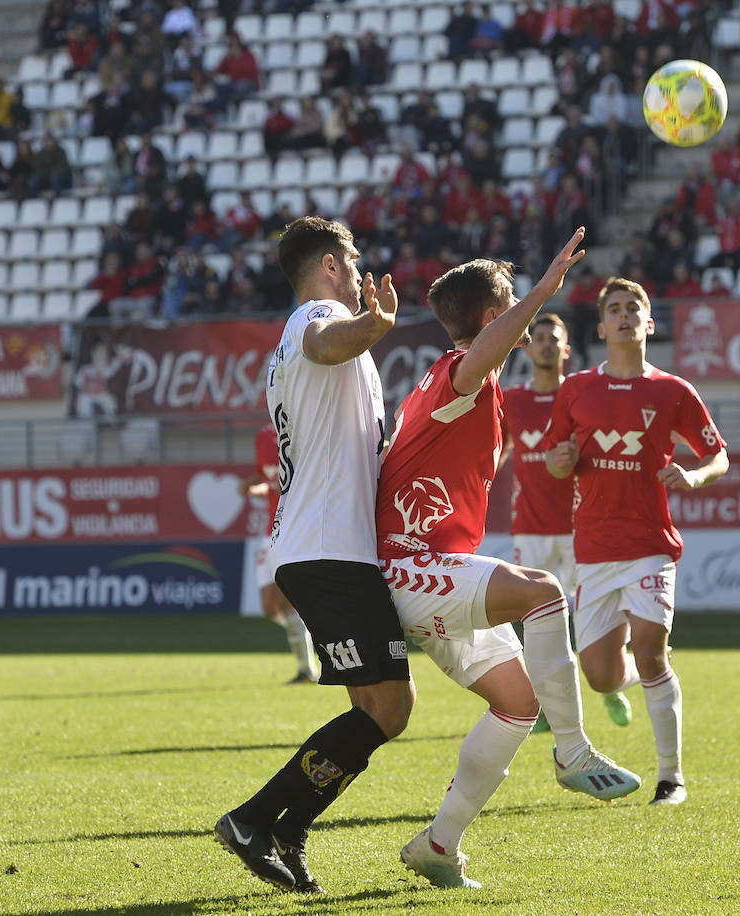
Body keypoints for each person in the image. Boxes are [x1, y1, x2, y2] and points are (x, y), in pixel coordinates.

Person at [374, 228, 641, 890]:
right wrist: (547, 290)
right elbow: (476, 357)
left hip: (432, 569)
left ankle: (439, 843)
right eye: (515, 301)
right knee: (544, 591)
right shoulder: (454, 373)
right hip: (410, 567)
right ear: (496, 316)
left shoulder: (468, 389)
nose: (528, 308)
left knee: (517, 704)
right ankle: (574, 750)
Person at [215, 216, 409, 895]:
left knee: (373, 710)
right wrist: (374, 326)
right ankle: (254, 819)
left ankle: (287, 830)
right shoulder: (318, 318)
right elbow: (331, 343)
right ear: (328, 264)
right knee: (390, 708)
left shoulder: (282, 345)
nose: (360, 274)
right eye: (353, 261)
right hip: (330, 550)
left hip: (320, 547)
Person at [543, 276, 731, 806]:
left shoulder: (673, 392)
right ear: (601, 327)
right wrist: (559, 463)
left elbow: (718, 454)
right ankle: (632, 680)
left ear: (649, 324)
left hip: (650, 543)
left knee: (651, 652)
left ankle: (671, 778)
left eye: (634, 308)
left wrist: (693, 477)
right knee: (601, 677)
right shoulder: (576, 389)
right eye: (615, 310)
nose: (624, 316)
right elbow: (560, 458)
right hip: (595, 552)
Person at [498, 312, 579, 734]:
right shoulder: (512, 400)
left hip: (580, 527)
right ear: (528, 348)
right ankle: (546, 702)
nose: (546, 343)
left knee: (588, 619)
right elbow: (498, 452)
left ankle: (611, 677)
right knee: (537, 618)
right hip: (529, 526)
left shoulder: (583, 395)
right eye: (540, 337)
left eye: (555, 338)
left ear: (566, 349)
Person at [239, 422, 320, 684]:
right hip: (268, 531)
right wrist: (251, 485)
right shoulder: (262, 436)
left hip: (292, 529)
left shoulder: (304, 429)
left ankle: (307, 669)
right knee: (269, 606)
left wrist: (264, 487)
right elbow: (264, 477)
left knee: (287, 602)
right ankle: (315, 636)